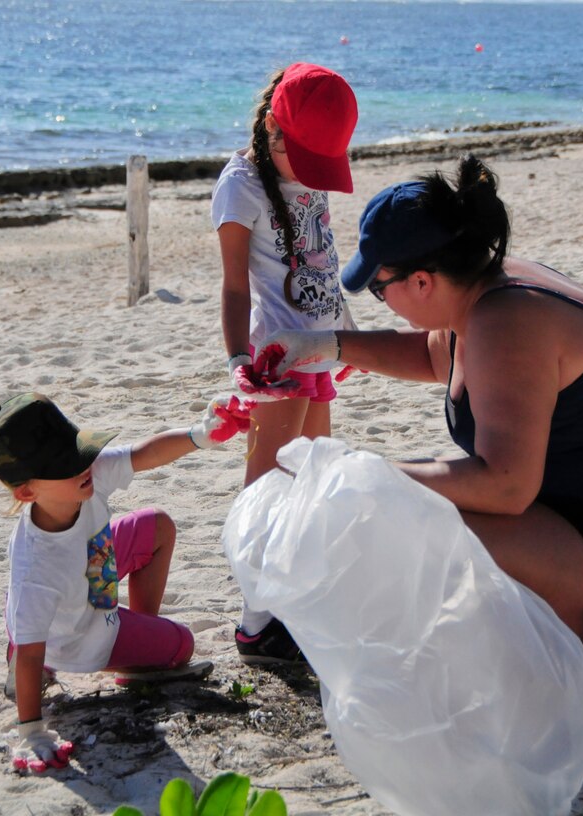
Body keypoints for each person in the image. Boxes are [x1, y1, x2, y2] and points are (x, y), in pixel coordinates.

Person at [254, 156, 583, 715]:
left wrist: (366, 471)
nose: (380, 298)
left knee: (413, 515)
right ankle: (549, 656)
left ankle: (572, 667)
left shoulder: (507, 323)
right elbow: (429, 352)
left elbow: (508, 486)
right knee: (411, 498)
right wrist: (327, 347)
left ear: (423, 280)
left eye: (378, 288)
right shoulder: (484, 292)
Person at [0, 391, 252, 773]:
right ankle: (126, 651)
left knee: (156, 525)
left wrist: (199, 434)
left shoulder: (82, 478)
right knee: (181, 645)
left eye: (79, 452)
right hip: (75, 638)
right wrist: (33, 731)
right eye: (66, 463)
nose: (84, 465)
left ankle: (136, 650)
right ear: (26, 492)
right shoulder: (36, 569)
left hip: (87, 577)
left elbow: (142, 454)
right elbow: (32, 650)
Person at [211, 62, 359, 664]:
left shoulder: (306, 167)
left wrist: (348, 334)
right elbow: (233, 288)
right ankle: (255, 624)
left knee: (312, 482)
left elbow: (322, 259)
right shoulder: (240, 186)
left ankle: (289, 605)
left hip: (319, 349)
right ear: (274, 129)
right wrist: (237, 361)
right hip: (275, 356)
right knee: (266, 490)